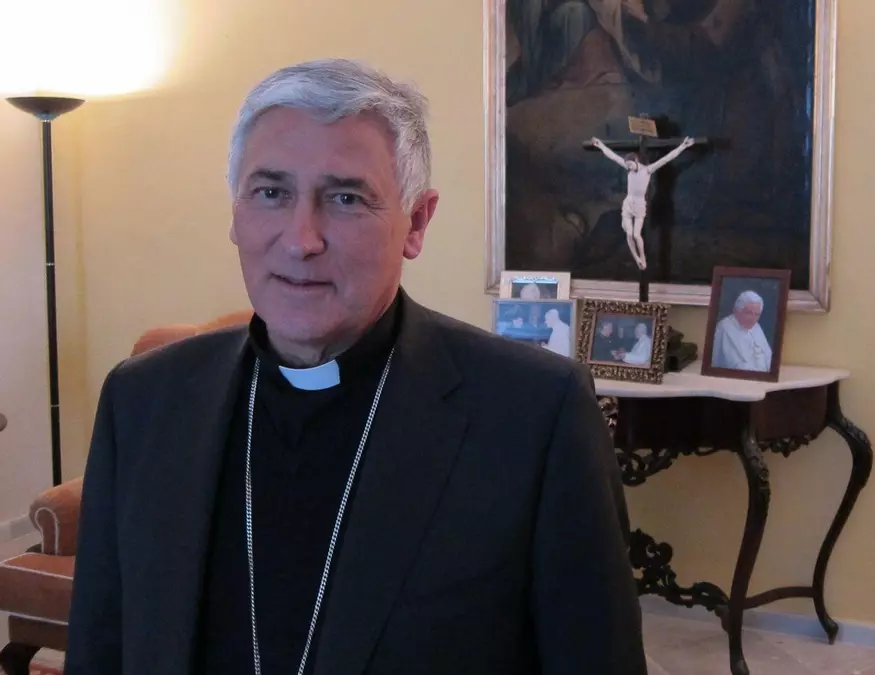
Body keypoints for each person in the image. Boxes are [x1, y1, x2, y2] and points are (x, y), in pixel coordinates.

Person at [65, 59, 647, 675]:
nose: (301, 240)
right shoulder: (143, 400)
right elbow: (101, 646)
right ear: (235, 213)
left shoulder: (534, 415)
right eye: (271, 193)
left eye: (345, 198)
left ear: (415, 223)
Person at [589, 136, 695, 270]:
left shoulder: (647, 170)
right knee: (629, 234)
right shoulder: (628, 167)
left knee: (636, 235)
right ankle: (637, 259)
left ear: (636, 161)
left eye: (631, 165)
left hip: (639, 205)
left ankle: (643, 257)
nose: (629, 167)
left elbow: (667, 158)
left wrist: (683, 146)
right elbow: (613, 156)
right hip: (629, 203)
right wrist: (600, 145)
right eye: (627, 166)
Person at [710, 290, 773, 372]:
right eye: (749, 313)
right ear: (736, 310)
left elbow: (769, 358)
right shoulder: (724, 327)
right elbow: (729, 364)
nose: (753, 319)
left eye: (757, 314)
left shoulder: (756, 326)